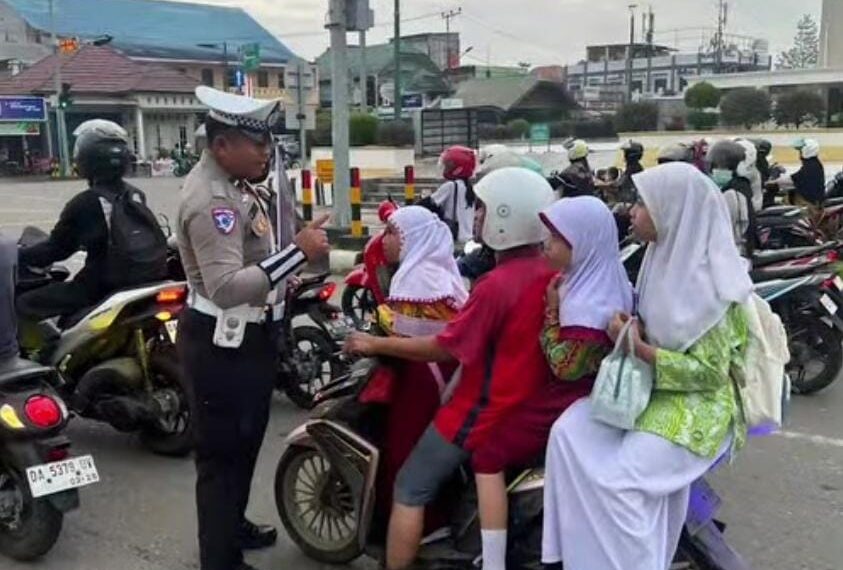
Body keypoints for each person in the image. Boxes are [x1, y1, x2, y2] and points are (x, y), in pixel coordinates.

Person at [542, 162, 751, 570]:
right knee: (568, 432)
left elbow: (709, 373)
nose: (632, 211)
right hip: (653, 390)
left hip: (700, 408)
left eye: (642, 203)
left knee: (620, 482)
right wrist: (630, 330)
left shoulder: (714, 286)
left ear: (672, 210)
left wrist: (642, 349)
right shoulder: (657, 259)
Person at [345, 167, 555, 570]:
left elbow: (445, 348)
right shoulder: (551, 272)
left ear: (506, 218)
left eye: (483, 208)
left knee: (409, 486)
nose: (475, 216)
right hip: (527, 406)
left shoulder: (495, 285)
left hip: (480, 409)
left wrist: (372, 343)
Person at [176, 86, 330, 570]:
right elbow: (224, 286)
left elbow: (259, 263)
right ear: (222, 145)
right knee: (221, 456)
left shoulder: (242, 186)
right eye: (256, 142)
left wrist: (294, 267)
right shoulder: (211, 199)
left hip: (251, 337)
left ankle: (233, 524)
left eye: (266, 143)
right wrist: (296, 253)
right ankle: (218, 557)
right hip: (223, 343)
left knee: (245, 443)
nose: (266, 151)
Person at [469, 196, 633, 570]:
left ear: (584, 243)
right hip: (586, 396)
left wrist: (551, 311)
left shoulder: (586, 301)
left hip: (568, 401)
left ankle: (493, 562)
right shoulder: (602, 277)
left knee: (486, 453)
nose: (547, 245)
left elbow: (565, 366)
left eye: (557, 239)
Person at [368, 206, 468, 525]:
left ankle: (412, 526)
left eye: (392, 232)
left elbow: (409, 334)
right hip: (438, 371)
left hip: (422, 376)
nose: (384, 240)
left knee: (406, 448)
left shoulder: (418, 279)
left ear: (413, 238)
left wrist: (375, 330)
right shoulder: (436, 272)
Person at [17, 120, 165, 334]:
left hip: (100, 286)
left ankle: (33, 358)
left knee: (24, 303)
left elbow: (56, 250)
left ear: (86, 160)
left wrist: (18, 255)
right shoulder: (135, 194)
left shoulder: (85, 203)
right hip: (147, 279)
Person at [707, 140, 758, 259]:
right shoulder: (734, 187)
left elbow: (736, 232)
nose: (716, 170)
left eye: (723, 166)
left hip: (735, 256)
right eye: (716, 165)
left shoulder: (733, 193)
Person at [428, 146, 477, 243]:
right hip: (469, 237)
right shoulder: (469, 187)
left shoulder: (450, 186)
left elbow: (429, 203)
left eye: (448, 165)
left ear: (458, 168)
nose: (445, 168)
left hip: (455, 238)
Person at [774, 138, 825, 212]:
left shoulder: (810, 166)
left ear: (807, 150)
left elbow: (794, 179)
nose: (800, 153)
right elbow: (796, 177)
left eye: (801, 151)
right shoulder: (813, 163)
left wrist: (774, 182)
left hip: (809, 203)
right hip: (813, 200)